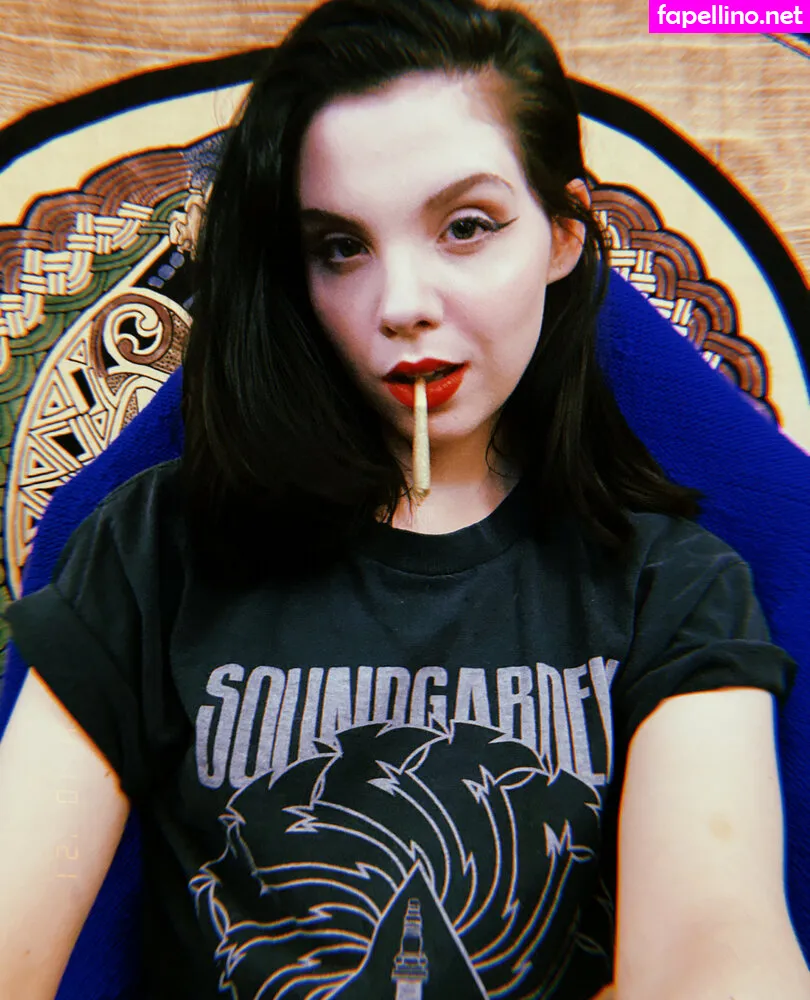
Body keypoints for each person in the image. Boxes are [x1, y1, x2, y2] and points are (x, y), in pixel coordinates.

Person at [0, 0, 806, 998]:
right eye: (342, 247)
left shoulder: (671, 588)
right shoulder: (156, 550)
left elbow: (715, 956)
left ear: (562, 235)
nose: (402, 304)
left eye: (466, 227)